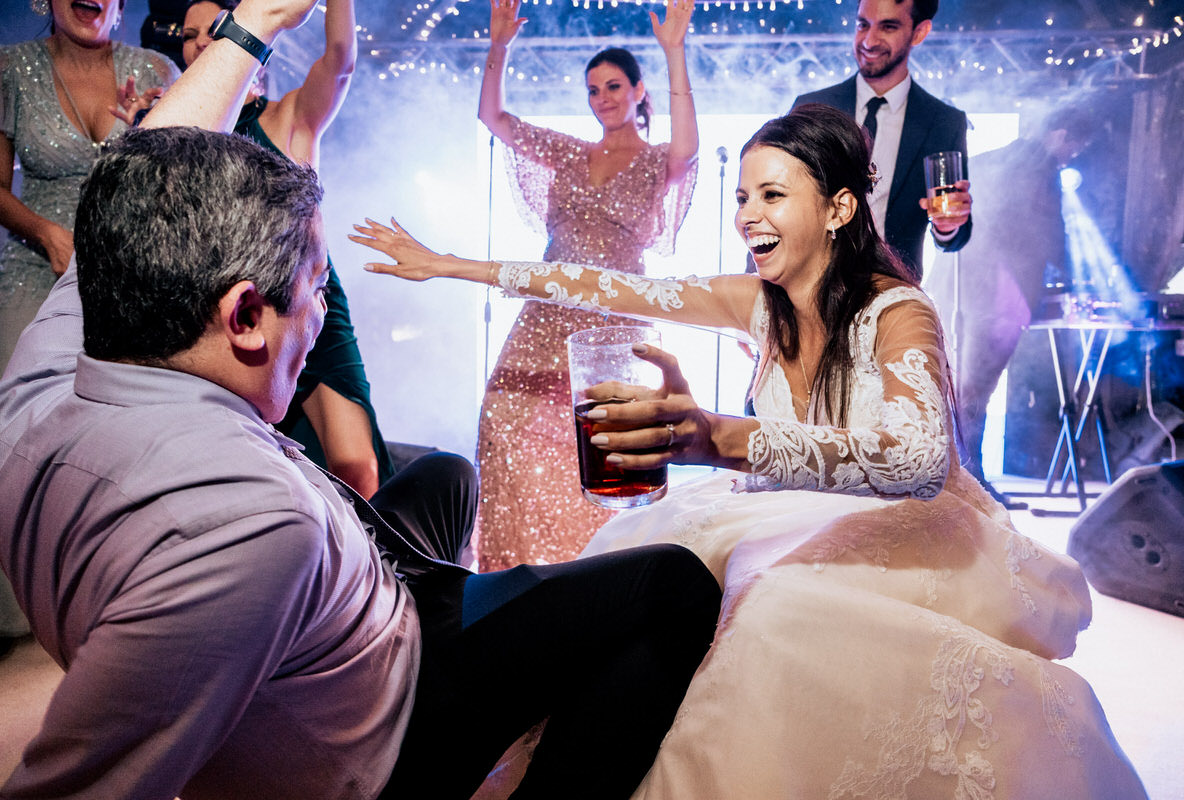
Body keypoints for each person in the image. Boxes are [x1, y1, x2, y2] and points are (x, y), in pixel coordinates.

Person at [0, 3, 721, 796]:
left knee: (447, 477)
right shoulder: (251, 530)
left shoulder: (39, 384)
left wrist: (256, 25)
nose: (324, 318)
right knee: (676, 587)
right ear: (244, 316)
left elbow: (122, 192)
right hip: (400, 695)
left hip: (378, 592)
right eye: (315, 288)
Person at [353, 104, 1148, 799]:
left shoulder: (899, 311)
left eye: (772, 196)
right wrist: (455, 265)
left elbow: (919, 462)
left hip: (905, 537)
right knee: (632, 582)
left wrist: (718, 439)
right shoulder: (751, 302)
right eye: (742, 196)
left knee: (768, 625)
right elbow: (596, 283)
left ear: (838, 208)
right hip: (768, 517)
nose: (747, 216)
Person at [473, 0, 699, 570]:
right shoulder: (568, 152)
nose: (604, 98)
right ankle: (515, 574)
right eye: (594, 89)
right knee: (501, 417)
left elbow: (688, 147)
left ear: (639, 90)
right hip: (544, 318)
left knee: (608, 445)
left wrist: (675, 51)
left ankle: (599, 572)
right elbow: (493, 119)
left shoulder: (654, 163)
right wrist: (499, 44)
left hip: (615, 326)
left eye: (615, 86)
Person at [0, 0, 177, 657]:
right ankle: (28, 607)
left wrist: (139, 135)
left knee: (126, 432)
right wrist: (45, 231)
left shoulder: (154, 68)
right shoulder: (11, 69)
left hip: (126, 270)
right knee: (26, 430)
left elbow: (177, 176)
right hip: (33, 267)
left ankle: (122, 594)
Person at [175, 0, 392, 499]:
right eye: (188, 35)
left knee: (355, 464)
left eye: (217, 28)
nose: (202, 40)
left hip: (306, 299)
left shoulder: (285, 117)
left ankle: (370, 569)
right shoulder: (184, 145)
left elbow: (340, 59)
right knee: (259, 465)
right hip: (231, 312)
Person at [925, 107, 1093, 509]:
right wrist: (1076, 277)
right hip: (996, 298)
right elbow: (1049, 233)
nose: (1074, 155)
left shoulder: (989, 158)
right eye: (1076, 146)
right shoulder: (1042, 170)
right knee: (974, 394)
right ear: (1061, 134)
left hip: (952, 288)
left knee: (948, 387)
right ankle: (971, 485)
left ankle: (953, 478)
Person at [790, 0, 971, 281]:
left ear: (919, 32)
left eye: (888, 27)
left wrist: (948, 224)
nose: (869, 40)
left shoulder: (943, 122)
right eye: (863, 25)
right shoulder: (811, 107)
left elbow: (954, 238)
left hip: (895, 298)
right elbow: (781, 201)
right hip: (810, 290)